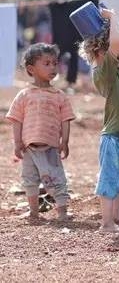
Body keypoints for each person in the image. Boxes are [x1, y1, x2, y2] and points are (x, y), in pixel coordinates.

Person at [78, 8, 119, 233]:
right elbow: (114, 43)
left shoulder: (116, 71)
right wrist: (113, 17)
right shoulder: (105, 69)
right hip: (114, 135)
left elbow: (113, 43)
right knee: (110, 178)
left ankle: (116, 217)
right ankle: (106, 223)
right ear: (102, 48)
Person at [6, 43, 75, 221]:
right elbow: (16, 120)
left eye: (55, 63)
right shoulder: (24, 95)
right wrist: (17, 143)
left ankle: (62, 212)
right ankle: (34, 211)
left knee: (56, 178)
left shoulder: (59, 95)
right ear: (31, 69)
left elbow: (65, 119)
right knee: (30, 179)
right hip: (29, 148)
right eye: (47, 63)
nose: (53, 67)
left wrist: (64, 141)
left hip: (51, 147)